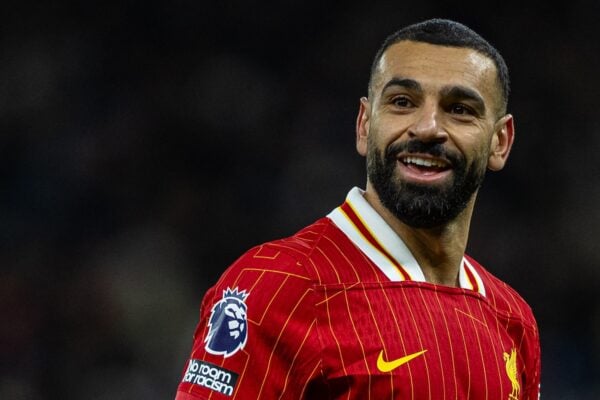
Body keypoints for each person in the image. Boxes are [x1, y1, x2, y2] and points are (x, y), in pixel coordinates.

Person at [173, 18, 541, 399]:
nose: (428, 127)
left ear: (500, 142)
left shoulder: (512, 319)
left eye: (460, 109)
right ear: (364, 125)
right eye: (402, 102)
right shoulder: (277, 287)